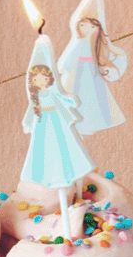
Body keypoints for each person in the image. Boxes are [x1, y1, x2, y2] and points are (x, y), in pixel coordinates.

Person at [20, 63, 94, 197]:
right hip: (42, 122)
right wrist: (27, 122)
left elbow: (62, 102)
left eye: (43, 79)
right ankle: (48, 176)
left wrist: (71, 108)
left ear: (49, 79)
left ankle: (66, 173)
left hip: (55, 120)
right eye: (37, 80)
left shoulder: (51, 94)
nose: (41, 82)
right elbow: (31, 110)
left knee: (61, 146)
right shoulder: (36, 97)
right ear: (33, 82)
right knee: (44, 149)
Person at [59, 13, 126, 135]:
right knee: (81, 95)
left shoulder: (97, 43)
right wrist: (66, 67)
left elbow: (105, 53)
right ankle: (82, 124)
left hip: (93, 71)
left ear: (97, 29)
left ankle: (96, 121)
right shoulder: (80, 42)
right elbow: (72, 56)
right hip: (80, 73)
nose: (86, 29)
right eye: (83, 25)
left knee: (96, 95)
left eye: (91, 27)